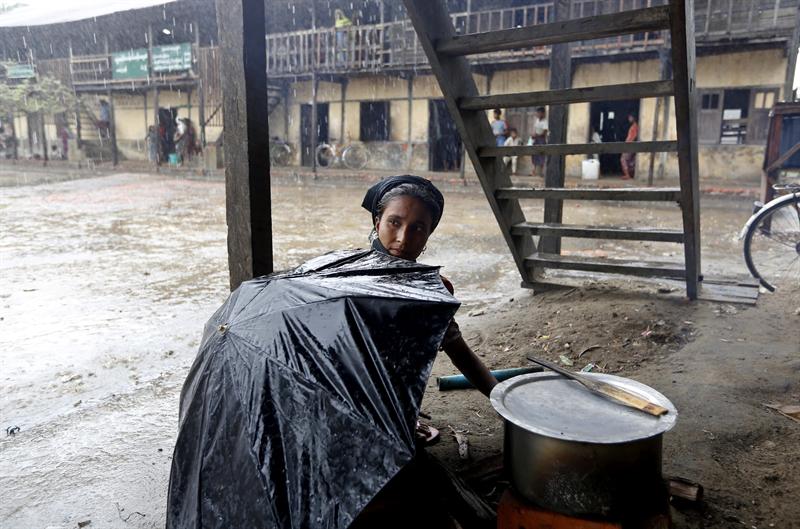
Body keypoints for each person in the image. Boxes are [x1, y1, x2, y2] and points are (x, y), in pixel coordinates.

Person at [350, 175, 499, 529]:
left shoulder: (435, 290)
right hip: (350, 405)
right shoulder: (345, 281)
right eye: (394, 223)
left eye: (418, 228)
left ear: (429, 235)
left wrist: (503, 398)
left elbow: (458, 350)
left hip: (398, 412)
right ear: (377, 222)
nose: (403, 238)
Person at [529, 106, 548, 177]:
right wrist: (533, 135)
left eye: (539, 113)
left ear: (543, 113)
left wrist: (536, 135)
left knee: (541, 155)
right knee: (534, 154)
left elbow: (544, 133)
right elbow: (535, 129)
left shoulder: (545, 122)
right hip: (536, 139)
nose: (538, 114)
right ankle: (533, 171)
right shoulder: (537, 120)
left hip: (541, 140)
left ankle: (541, 172)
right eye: (537, 113)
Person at [621, 113, 639, 180]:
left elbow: (634, 136)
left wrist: (629, 144)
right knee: (630, 161)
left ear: (633, 118)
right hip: (630, 145)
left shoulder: (634, 126)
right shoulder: (634, 126)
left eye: (630, 117)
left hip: (630, 145)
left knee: (623, 159)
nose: (629, 118)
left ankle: (627, 175)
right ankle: (630, 174)